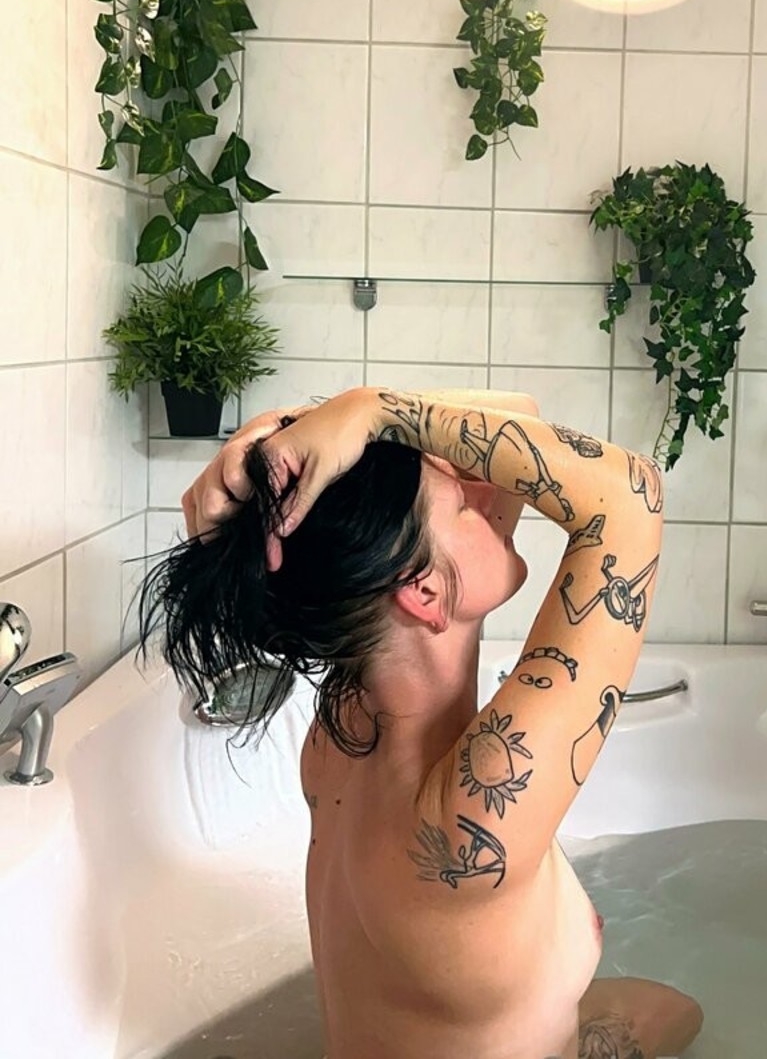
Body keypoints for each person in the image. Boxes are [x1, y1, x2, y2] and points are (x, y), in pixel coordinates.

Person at [150, 385, 704, 1059]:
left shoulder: (346, 721)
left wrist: (317, 426)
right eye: (461, 503)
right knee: (690, 1014)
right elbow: (628, 496)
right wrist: (371, 410)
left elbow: (517, 417)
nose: (484, 489)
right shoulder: (476, 809)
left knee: (668, 1010)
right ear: (423, 591)